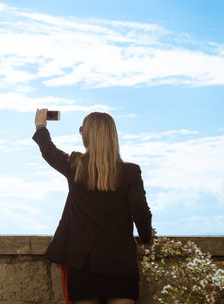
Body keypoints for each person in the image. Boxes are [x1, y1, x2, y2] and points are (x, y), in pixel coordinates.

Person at [33, 109, 153, 304]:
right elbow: (140, 210)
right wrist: (147, 237)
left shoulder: (75, 165)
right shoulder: (131, 172)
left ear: (85, 134)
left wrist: (41, 126)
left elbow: (48, 150)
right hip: (120, 261)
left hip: (83, 262)